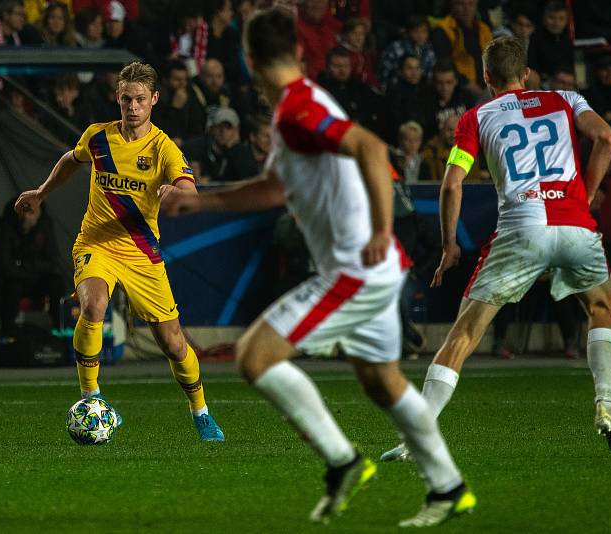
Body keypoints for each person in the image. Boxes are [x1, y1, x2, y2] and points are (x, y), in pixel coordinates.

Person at [160, 8, 475, 528]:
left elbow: (370, 147)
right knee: (382, 382)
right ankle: (449, 488)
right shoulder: (297, 108)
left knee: (254, 355)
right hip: (372, 269)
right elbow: (277, 189)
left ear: (248, 59)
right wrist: (203, 204)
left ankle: (343, 460)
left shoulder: (298, 110)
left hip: (357, 268)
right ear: (302, 53)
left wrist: (378, 230)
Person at [381, 36, 611, 463]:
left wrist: (448, 247)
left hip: (522, 227)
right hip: (575, 225)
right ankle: (606, 404)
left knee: (464, 332)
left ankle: (418, 437)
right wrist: (584, 197)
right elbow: (607, 139)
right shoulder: (566, 98)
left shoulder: (476, 117)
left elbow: (452, 182)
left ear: (485, 78)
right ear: (527, 74)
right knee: (600, 308)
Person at [14, 61, 224, 442]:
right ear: (118, 97)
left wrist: (176, 192)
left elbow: (191, 192)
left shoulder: (163, 148)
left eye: (140, 99)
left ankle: (201, 412)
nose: (132, 106)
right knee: (93, 307)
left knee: (173, 343)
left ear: (154, 100)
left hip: (142, 253)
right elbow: (70, 160)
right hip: (96, 243)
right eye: (126, 98)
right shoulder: (98, 137)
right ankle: (92, 399)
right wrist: (42, 192)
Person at [0, 198, 66, 339]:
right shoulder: (4, 226)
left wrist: (23, 265)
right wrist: (29, 267)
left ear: (39, 212)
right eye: (23, 211)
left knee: (56, 283)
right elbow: (2, 264)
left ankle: (62, 332)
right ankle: (7, 336)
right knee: (12, 286)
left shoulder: (45, 224)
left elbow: (52, 261)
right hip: (10, 279)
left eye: (31, 212)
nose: (27, 216)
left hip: (34, 277)